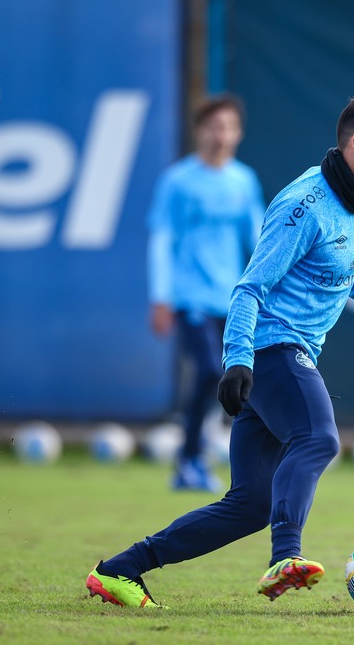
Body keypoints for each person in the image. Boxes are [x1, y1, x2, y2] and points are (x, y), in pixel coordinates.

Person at [86, 93, 354, 608]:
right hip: (271, 352)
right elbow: (249, 288)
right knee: (317, 439)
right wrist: (237, 361)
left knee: (249, 505)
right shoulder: (304, 205)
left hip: (280, 356)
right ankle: (284, 556)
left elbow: (337, 268)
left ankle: (120, 570)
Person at [146, 94, 265, 492]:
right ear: (200, 131)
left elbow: (259, 238)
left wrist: (268, 284)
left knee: (235, 377)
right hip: (189, 298)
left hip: (232, 299)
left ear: (239, 133)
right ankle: (190, 459)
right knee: (212, 372)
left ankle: (204, 458)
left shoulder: (243, 181)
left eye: (228, 126)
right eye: (214, 126)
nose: (221, 134)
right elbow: (161, 240)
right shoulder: (178, 181)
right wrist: (160, 295)